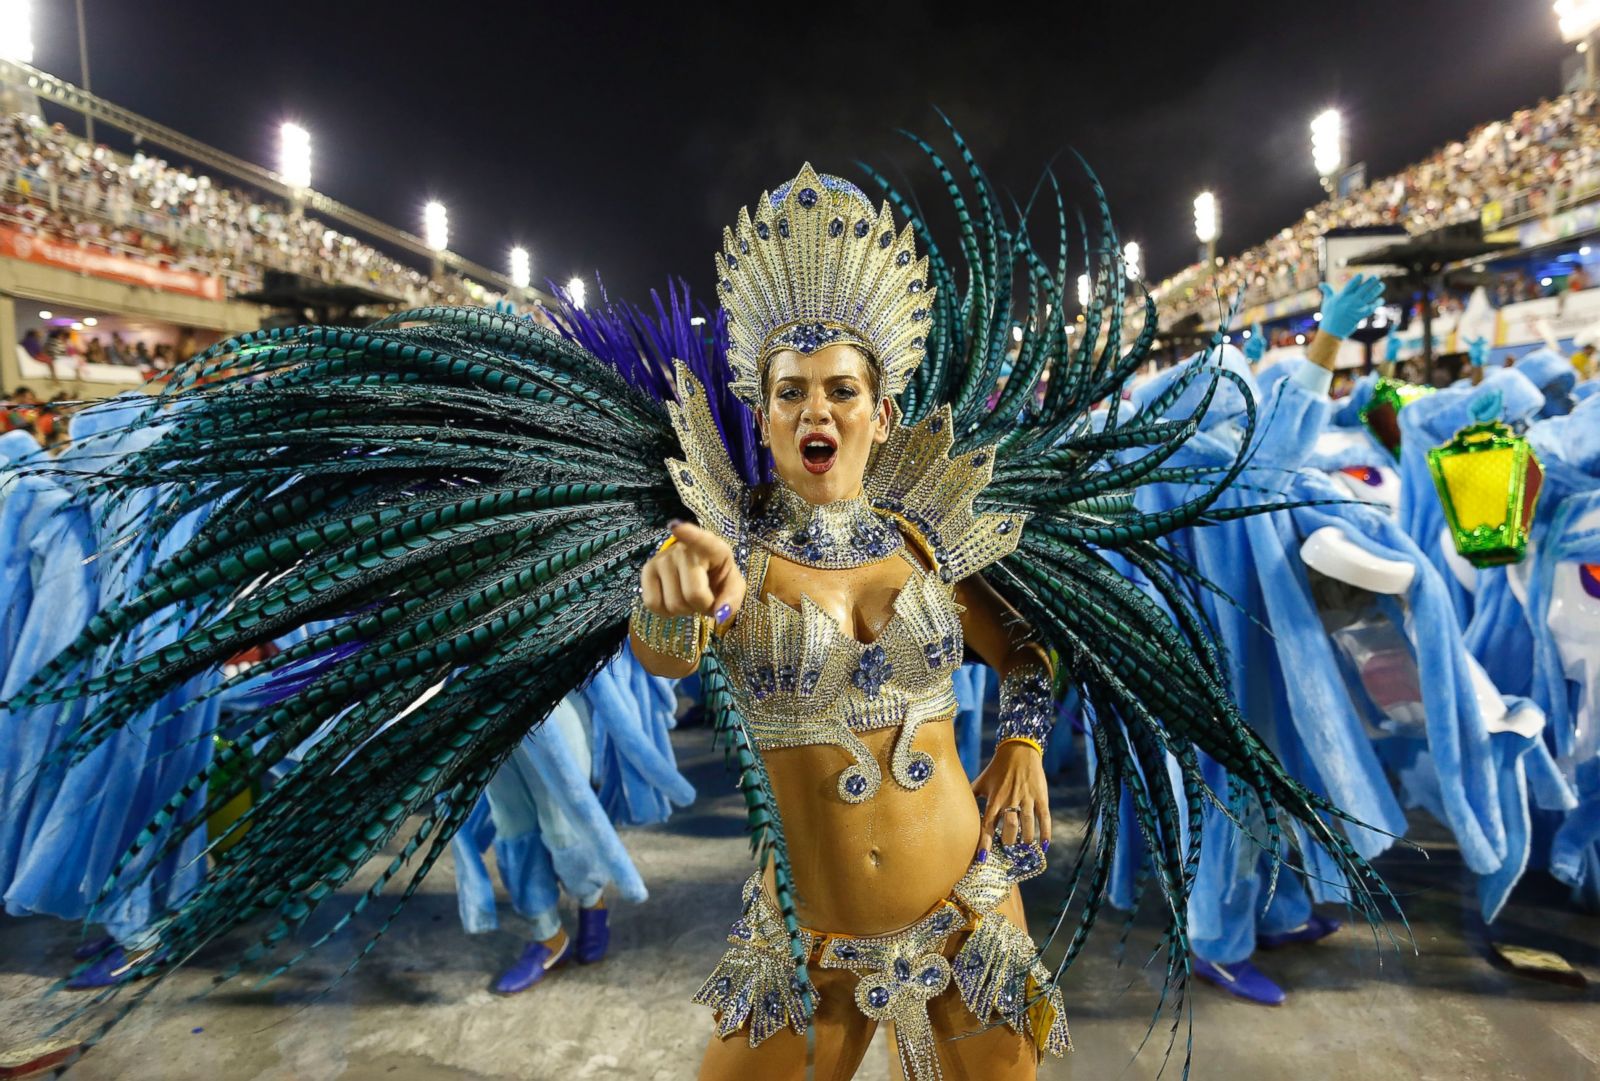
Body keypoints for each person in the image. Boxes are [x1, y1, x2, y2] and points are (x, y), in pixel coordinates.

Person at [5, 154, 1400, 1080]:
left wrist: (1024, 746)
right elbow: (674, 639)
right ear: (761, 405)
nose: (814, 410)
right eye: (789, 389)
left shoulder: (932, 527)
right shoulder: (715, 549)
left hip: (975, 915)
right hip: (800, 944)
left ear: (881, 405)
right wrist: (666, 611)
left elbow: (1026, 647)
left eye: (839, 388)